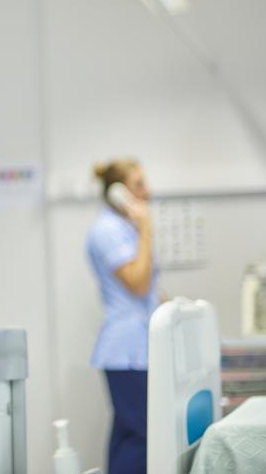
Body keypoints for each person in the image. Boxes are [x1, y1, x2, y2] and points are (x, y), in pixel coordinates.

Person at [87, 158, 157, 474]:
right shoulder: (106, 230)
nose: (147, 191)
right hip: (126, 351)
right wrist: (146, 230)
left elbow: (150, 290)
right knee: (145, 436)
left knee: (131, 435)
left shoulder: (122, 228)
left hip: (141, 347)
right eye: (139, 185)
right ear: (118, 193)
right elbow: (138, 284)